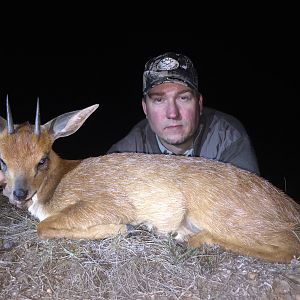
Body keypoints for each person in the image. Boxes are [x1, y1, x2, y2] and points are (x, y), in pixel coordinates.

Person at [107, 52, 260, 175]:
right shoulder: (123, 155)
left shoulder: (228, 139)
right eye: (159, 100)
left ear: (199, 104)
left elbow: (250, 207)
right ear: (145, 108)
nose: (173, 113)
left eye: (183, 98)